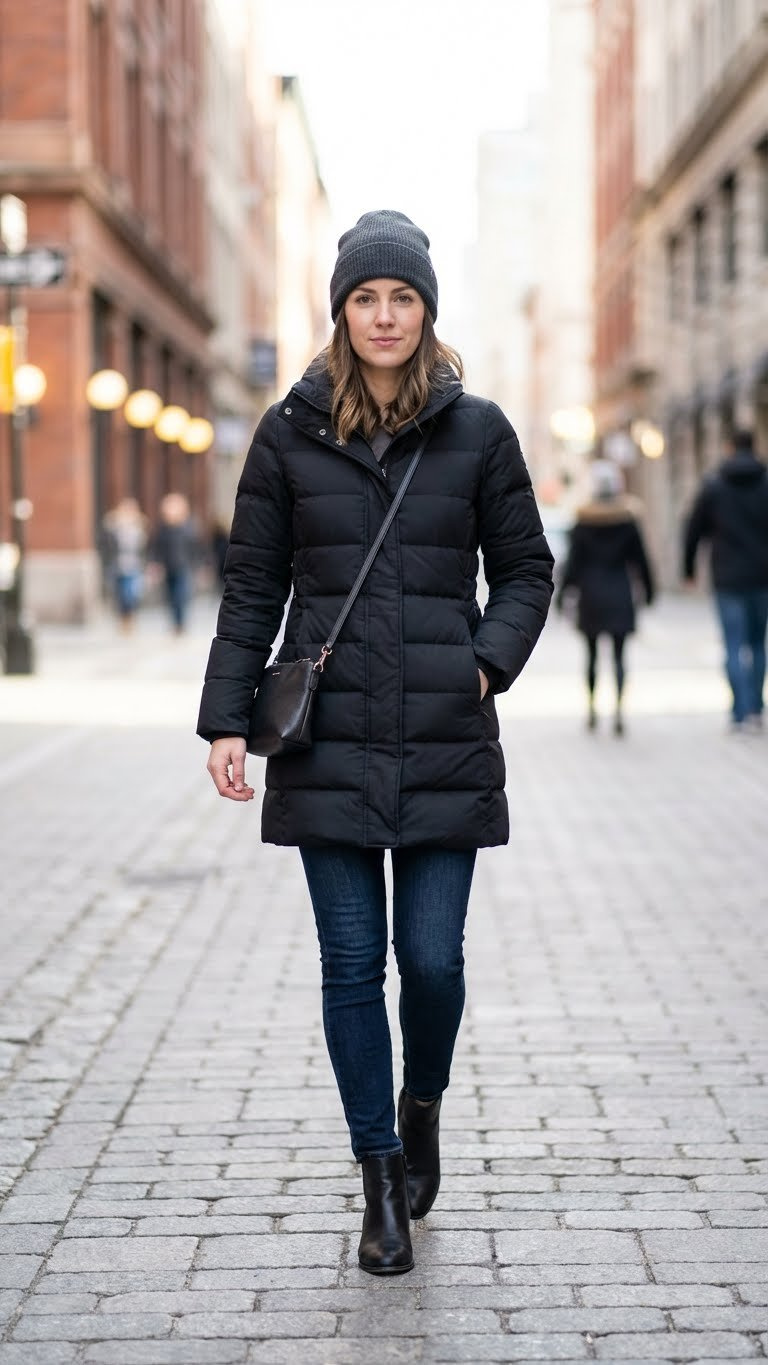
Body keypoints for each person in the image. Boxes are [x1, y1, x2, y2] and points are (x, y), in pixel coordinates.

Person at [197, 210, 553, 1275]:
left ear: (427, 312)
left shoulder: (480, 431)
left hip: (444, 731)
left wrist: (482, 663)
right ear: (342, 311)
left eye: (402, 299)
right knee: (353, 964)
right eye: (366, 299)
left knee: (431, 963)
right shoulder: (288, 431)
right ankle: (380, 1177)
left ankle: (424, 1101)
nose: (384, 316)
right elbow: (254, 583)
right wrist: (226, 717)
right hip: (330, 736)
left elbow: (528, 568)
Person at [556, 458, 654, 734]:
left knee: (591, 655)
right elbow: (641, 560)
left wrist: (563, 595)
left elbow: (573, 563)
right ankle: (620, 710)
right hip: (619, 591)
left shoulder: (583, 520)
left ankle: (592, 709)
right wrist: (649, 591)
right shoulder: (627, 519)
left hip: (591, 594)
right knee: (620, 656)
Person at [683, 428, 768, 731]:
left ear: (730, 448)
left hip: (728, 577)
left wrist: (689, 569)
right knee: (758, 643)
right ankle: (756, 708)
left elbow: (693, 529)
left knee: (733, 644)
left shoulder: (715, 486)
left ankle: (739, 711)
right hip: (762, 576)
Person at [149, 492, 199, 633]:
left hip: (184, 567)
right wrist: (155, 563)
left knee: (181, 596)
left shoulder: (188, 527)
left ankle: (181, 623)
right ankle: (176, 623)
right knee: (170, 596)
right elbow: (156, 548)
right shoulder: (163, 529)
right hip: (168, 567)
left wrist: (199, 564)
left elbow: (196, 547)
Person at [99, 496, 148, 632]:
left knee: (131, 594)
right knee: (120, 594)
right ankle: (123, 619)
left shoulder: (139, 527)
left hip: (134, 565)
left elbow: (144, 548)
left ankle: (130, 618)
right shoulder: (113, 526)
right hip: (118, 565)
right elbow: (106, 545)